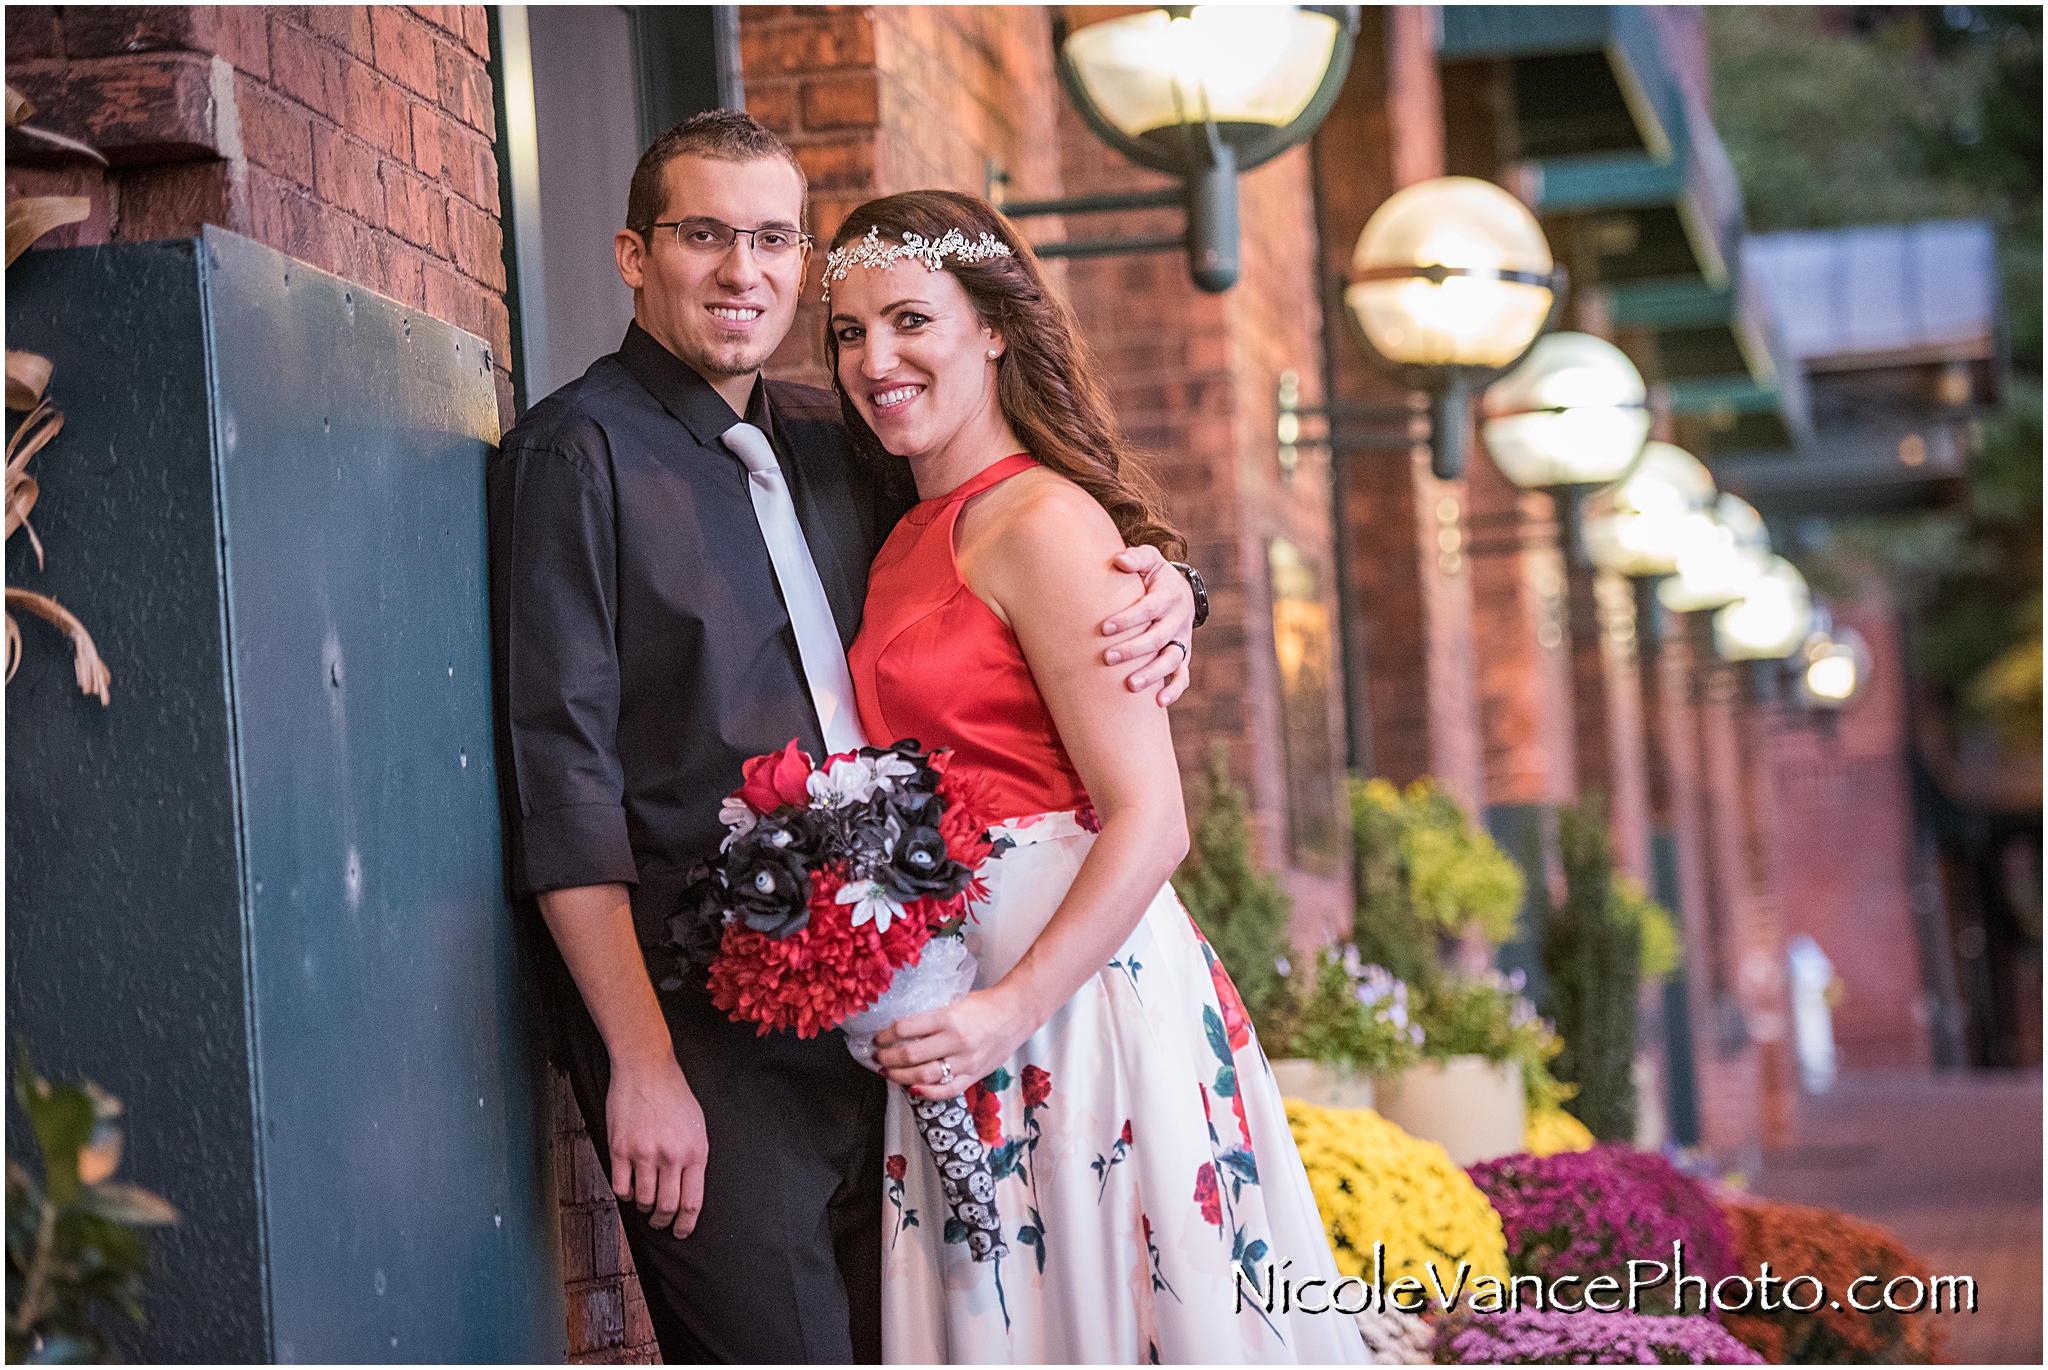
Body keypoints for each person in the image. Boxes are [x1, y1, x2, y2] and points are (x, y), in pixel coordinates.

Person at [486, 111, 1199, 1364]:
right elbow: (563, 784)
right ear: (630, 254)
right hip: (705, 1031)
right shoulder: (572, 454)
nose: (739, 269)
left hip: (899, 1011)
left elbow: (1022, 528)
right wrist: (636, 1065)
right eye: (702, 234)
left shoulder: (841, 438)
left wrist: (1168, 591)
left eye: (770, 238)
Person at [836, 192, 1367, 1363]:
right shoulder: (901, 527)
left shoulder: (1042, 520)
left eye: (910, 319)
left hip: (1068, 997)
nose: (874, 360)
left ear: (992, 329)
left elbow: (1154, 820)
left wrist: (1005, 1008)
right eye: (847, 331)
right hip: (951, 996)